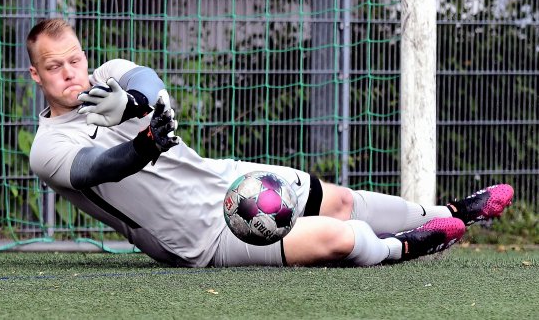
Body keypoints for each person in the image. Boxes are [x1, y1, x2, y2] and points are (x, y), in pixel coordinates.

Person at [27, 18, 514, 268]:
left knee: (340, 201)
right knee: (335, 238)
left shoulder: (109, 75)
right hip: (196, 237)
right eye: (54, 67)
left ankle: (449, 211)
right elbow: (100, 168)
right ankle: (403, 250)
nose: (70, 73)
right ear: (36, 74)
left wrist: (134, 106)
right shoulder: (47, 148)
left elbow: (150, 83)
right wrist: (143, 145)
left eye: (74, 60)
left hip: (226, 182)